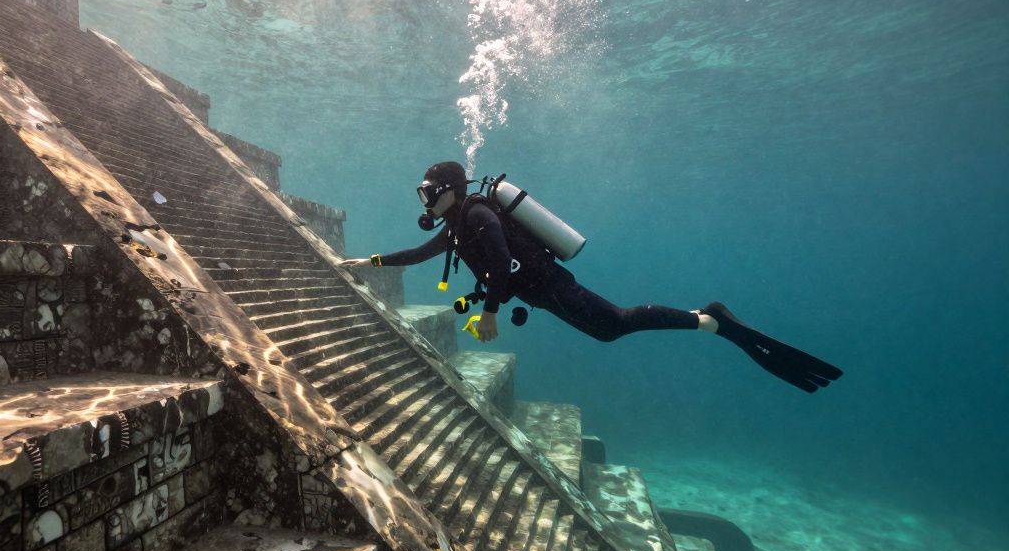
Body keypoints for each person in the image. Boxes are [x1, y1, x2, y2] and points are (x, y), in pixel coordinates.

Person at [341, 161, 842, 393]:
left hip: (551, 286)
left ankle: (710, 317)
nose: (424, 200)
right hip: (540, 293)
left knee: (616, 323)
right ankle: (709, 323)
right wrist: (370, 263)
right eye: (422, 192)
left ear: (449, 189)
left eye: (429, 191)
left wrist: (490, 312)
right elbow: (418, 253)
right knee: (610, 330)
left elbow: (496, 263)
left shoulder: (477, 217)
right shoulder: (456, 227)